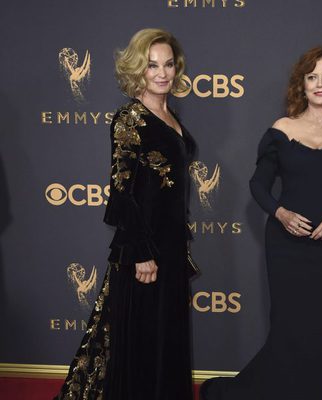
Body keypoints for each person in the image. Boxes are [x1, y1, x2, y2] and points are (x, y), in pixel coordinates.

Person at [200, 46, 322, 400]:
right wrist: (280, 213)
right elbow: (258, 186)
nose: (320, 84)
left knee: (321, 326)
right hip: (286, 243)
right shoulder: (283, 130)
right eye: (312, 77)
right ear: (302, 85)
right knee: (287, 325)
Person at [54, 28, 196, 400]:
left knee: (166, 335)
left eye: (168, 64)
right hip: (144, 251)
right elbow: (121, 192)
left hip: (172, 247)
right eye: (152, 66)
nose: (162, 73)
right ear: (138, 69)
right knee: (140, 337)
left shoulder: (169, 115)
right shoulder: (130, 118)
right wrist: (141, 252)